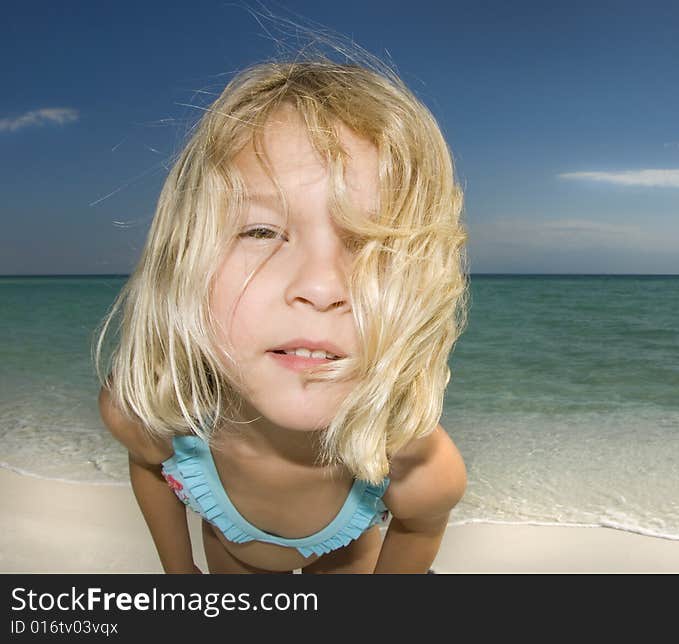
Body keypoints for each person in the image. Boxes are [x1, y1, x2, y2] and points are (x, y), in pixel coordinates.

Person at [94, 55, 469, 574]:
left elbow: (420, 525)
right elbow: (149, 467)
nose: (321, 286)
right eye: (262, 232)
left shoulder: (419, 470)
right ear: (180, 260)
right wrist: (178, 573)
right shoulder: (145, 412)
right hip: (230, 544)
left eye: (372, 245)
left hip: (346, 551)